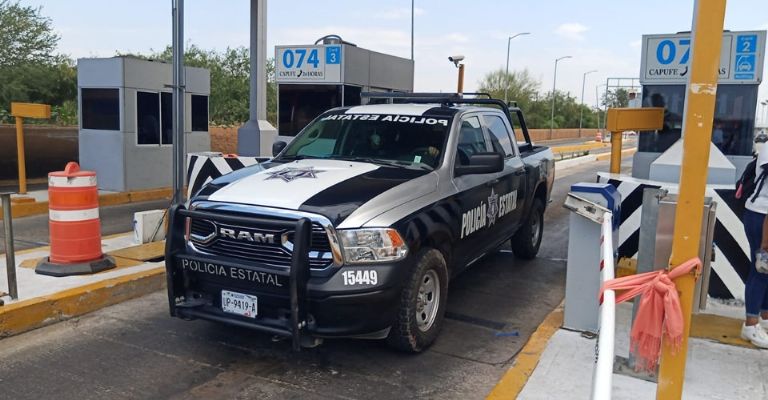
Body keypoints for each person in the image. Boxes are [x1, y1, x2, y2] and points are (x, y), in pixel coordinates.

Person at [741, 133, 768, 348]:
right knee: (761, 269)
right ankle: (751, 325)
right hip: (762, 217)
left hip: (760, 215)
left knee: (765, 270)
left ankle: (764, 320)